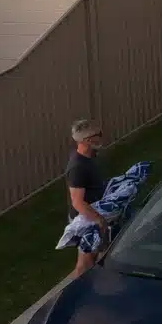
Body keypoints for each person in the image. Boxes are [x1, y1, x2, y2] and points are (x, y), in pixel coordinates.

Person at [63, 119, 109, 278]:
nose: (102, 138)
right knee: (85, 264)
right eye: (99, 135)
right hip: (87, 220)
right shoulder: (78, 167)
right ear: (88, 140)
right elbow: (77, 201)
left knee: (93, 257)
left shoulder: (87, 158)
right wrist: (99, 220)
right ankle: (71, 293)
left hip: (91, 215)